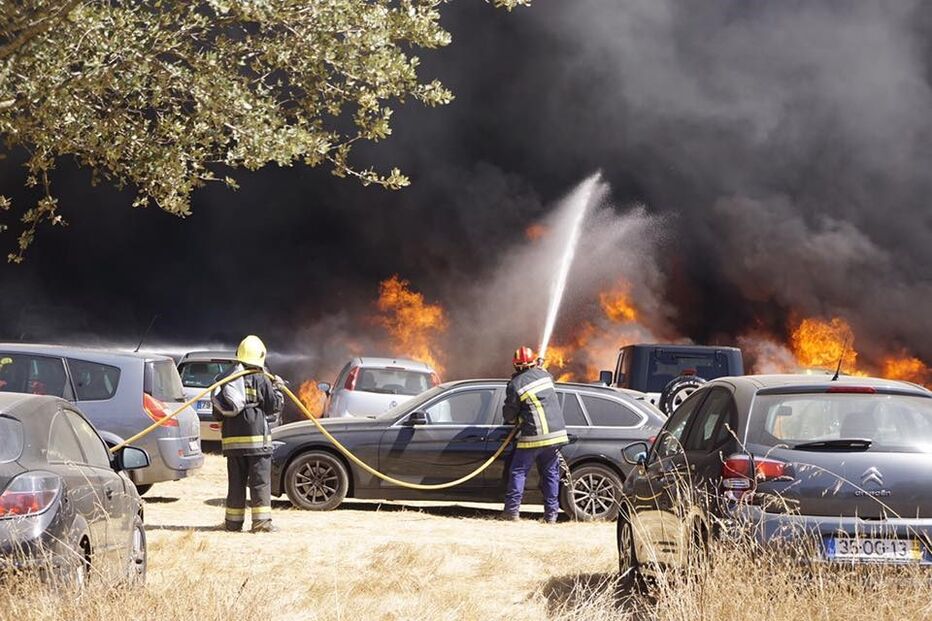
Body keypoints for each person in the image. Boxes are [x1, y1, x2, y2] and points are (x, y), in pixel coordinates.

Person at [213, 335, 284, 533]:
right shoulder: (261, 378)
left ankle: (233, 523)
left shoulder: (226, 378)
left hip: (232, 443)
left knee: (236, 484)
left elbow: (217, 412)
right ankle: (261, 524)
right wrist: (278, 389)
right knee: (259, 482)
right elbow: (272, 406)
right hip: (257, 442)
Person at [501, 346, 569, 523]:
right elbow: (543, 389)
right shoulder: (546, 376)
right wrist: (539, 369)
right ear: (533, 362)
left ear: (515, 365)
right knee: (550, 473)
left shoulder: (515, 385)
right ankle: (551, 515)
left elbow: (509, 415)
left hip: (534, 435)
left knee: (518, 471)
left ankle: (511, 512)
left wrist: (514, 418)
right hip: (556, 435)